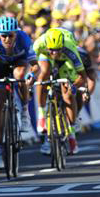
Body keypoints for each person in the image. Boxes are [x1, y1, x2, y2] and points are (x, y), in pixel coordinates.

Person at [0, 16, 36, 170]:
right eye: (4, 35)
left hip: (19, 62)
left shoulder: (24, 38)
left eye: (10, 35)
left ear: (16, 33)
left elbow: (35, 64)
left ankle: (24, 111)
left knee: (19, 76)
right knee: (0, 104)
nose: (7, 39)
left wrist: (32, 74)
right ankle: (0, 148)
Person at [33, 27, 87, 155]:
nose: (54, 54)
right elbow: (30, 64)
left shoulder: (70, 48)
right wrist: (30, 76)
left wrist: (73, 86)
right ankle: (41, 115)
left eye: (57, 50)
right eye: (52, 50)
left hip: (66, 60)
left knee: (67, 93)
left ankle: (72, 135)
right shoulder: (39, 44)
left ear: (62, 46)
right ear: (47, 46)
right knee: (43, 75)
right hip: (43, 55)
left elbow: (82, 76)